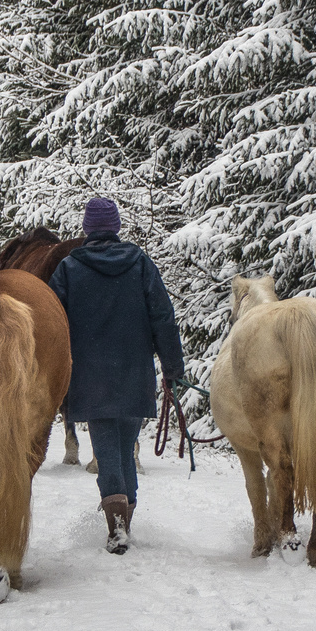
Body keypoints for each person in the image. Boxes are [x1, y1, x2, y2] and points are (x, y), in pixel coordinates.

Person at [48, 197, 187, 554]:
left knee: (107, 449)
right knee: (125, 449)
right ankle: (125, 522)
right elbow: (163, 317)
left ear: (86, 229)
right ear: (117, 226)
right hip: (134, 372)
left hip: (91, 376)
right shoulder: (140, 263)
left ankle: (117, 527)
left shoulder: (68, 269)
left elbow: (50, 322)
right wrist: (172, 368)